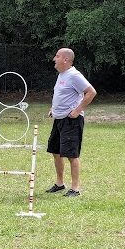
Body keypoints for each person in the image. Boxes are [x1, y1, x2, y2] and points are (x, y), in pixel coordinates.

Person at [46, 48, 97, 197]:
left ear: (66, 60)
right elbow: (62, 95)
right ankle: (60, 183)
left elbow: (91, 92)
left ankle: (75, 189)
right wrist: (53, 108)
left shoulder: (74, 75)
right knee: (56, 152)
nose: (54, 59)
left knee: (71, 155)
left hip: (71, 121)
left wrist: (77, 110)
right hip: (59, 119)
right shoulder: (62, 75)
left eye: (57, 56)